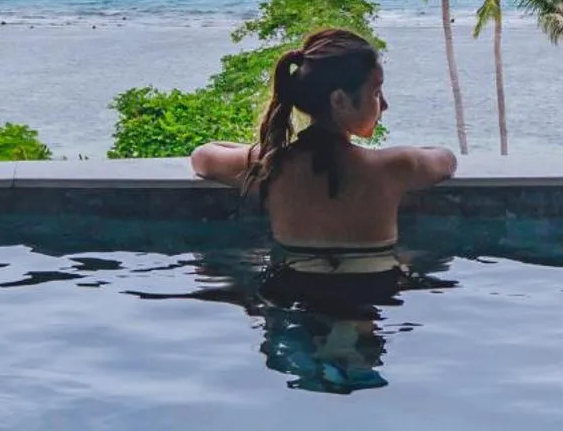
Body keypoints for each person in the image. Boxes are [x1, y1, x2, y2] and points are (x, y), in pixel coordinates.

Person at [189, 28, 458, 391]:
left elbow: (202, 157)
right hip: (375, 291)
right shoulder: (396, 167)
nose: (385, 105)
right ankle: (345, 350)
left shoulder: (271, 166)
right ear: (340, 101)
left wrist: (260, 151)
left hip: (293, 291)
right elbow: (446, 160)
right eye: (376, 93)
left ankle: (326, 353)